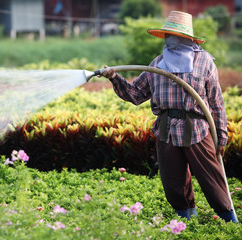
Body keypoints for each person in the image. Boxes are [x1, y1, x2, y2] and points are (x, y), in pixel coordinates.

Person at [100, 11, 237, 223]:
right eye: (168, 35)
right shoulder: (157, 64)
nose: (171, 40)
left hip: (197, 129)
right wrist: (114, 78)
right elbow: (136, 94)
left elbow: (216, 103)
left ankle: (229, 221)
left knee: (211, 178)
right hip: (167, 129)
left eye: (176, 35)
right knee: (174, 181)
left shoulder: (204, 62)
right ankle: (186, 222)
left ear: (187, 38)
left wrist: (221, 135)